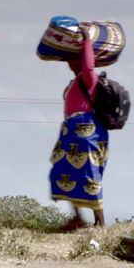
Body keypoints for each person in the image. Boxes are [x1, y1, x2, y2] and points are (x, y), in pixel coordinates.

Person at [49, 28, 108, 228]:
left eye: (74, 58)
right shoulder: (74, 82)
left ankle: (100, 221)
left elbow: (89, 66)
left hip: (86, 133)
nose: (69, 62)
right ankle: (78, 218)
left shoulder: (89, 78)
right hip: (72, 132)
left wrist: (86, 42)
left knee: (88, 175)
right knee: (64, 171)